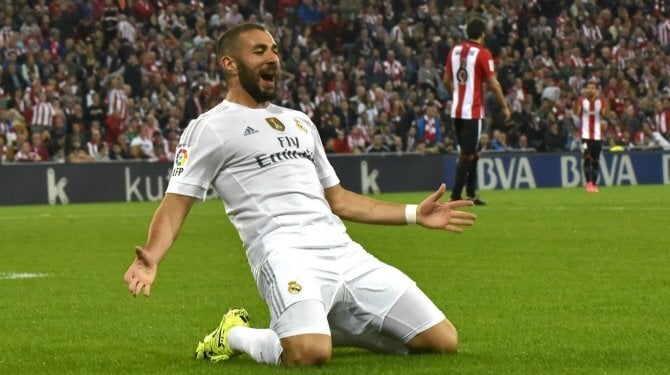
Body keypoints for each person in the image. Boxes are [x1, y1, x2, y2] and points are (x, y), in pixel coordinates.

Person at [124, 23, 477, 368]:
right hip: (284, 254)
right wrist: (152, 256)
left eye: (275, 50)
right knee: (308, 354)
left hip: (343, 252)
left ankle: (316, 325)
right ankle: (235, 335)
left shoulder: (300, 122)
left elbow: (339, 200)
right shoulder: (209, 128)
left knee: (442, 341)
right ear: (229, 64)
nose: (272, 58)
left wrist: (416, 213)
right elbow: (176, 204)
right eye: (259, 50)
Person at [443, 17, 511, 205]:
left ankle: (471, 193)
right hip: (472, 112)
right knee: (467, 154)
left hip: (456, 111)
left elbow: (446, 80)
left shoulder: (454, 51)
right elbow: (494, 84)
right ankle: (455, 196)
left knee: (473, 152)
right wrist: (505, 106)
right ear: (482, 34)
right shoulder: (483, 53)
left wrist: (457, 96)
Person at [574, 80, 610, 193]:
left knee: (595, 161)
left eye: (593, 88)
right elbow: (576, 112)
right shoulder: (581, 101)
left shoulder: (601, 102)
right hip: (585, 137)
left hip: (597, 137)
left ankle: (594, 184)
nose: (591, 89)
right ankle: (588, 184)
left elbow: (605, 114)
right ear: (585, 90)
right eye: (589, 87)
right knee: (587, 158)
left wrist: (602, 104)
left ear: (596, 90)